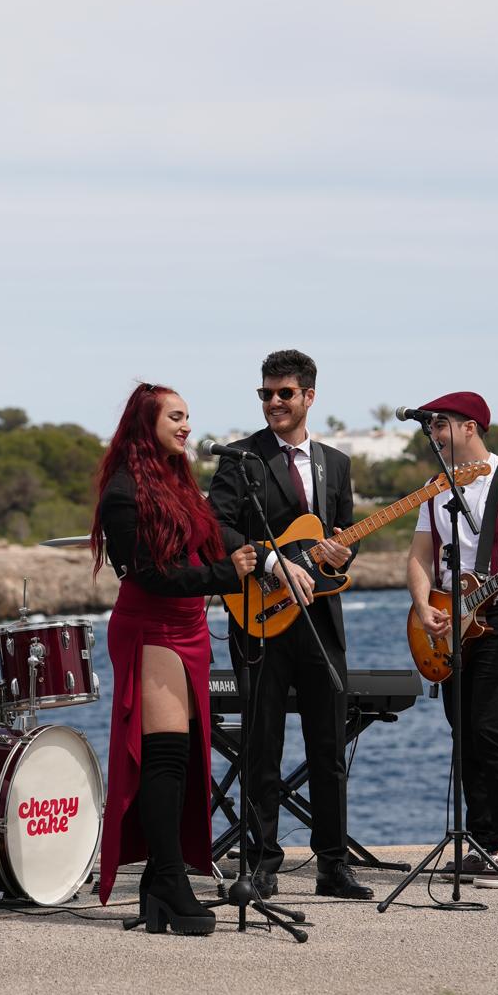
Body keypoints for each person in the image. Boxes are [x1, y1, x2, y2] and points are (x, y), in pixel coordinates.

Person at [208, 348, 373, 900]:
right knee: (262, 743)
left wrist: (339, 555)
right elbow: (216, 530)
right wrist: (273, 560)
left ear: (309, 397)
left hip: (321, 619)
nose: (273, 402)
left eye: (284, 393)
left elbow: (343, 533)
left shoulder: (336, 463)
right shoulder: (238, 459)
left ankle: (333, 863)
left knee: (328, 743)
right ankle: (260, 863)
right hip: (258, 618)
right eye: (265, 393)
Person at [91, 383, 256, 935]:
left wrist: (268, 554)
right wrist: (223, 575)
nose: (186, 427)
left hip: (188, 627)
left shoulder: (179, 481)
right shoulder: (123, 491)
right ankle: (166, 878)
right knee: (162, 758)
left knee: (183, 760)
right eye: (176, 417)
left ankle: (160, 886)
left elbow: (209, 539)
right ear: (148, 422)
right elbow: (150, 575)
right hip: (151, 625)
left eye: (188, 417)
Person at [406, 391, 498, 887]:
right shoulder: (434, 487)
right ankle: (478, 840)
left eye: (442, 424)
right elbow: (420, 557)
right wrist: (423, 604)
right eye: (430, 425)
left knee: (491, 728)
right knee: (464, 732)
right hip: (451, 618)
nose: (434, 432)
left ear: (471, 427)